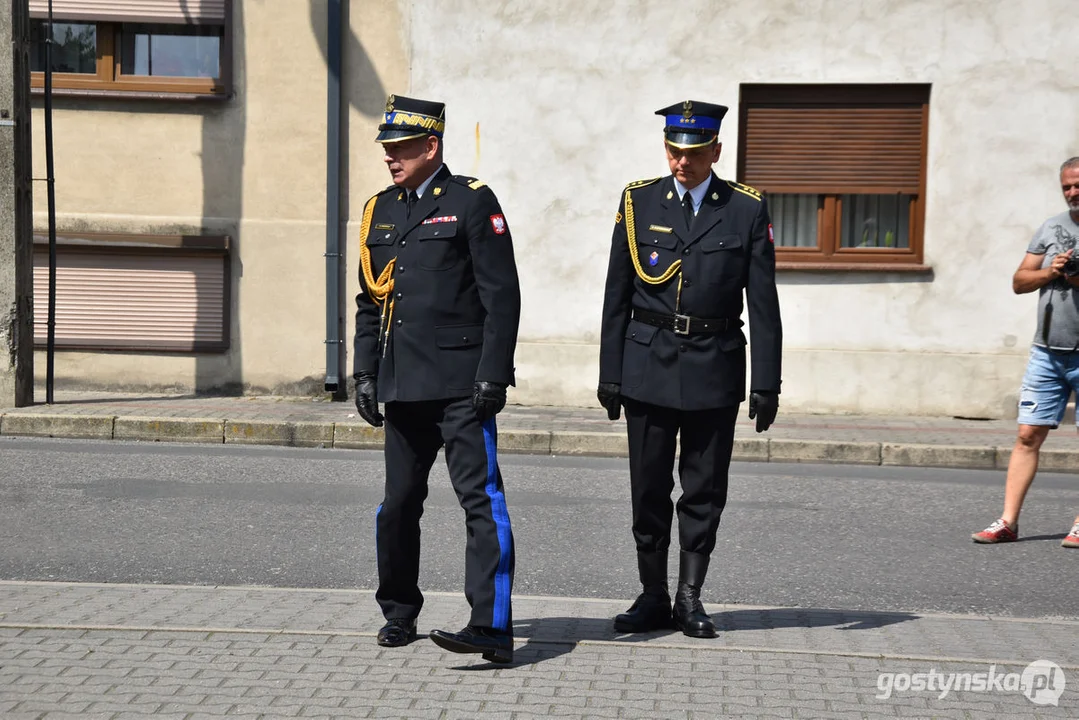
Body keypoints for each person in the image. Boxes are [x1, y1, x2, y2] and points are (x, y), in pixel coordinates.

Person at [597, 100, 783, 638]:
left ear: (716, 152)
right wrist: (612, 372)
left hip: (714, 366)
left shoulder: (746, 209)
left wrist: (765, 384)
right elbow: (616, 294)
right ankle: (652, 594)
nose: (682, 163)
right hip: (648, 363)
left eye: (695, 154)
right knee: (648, 490)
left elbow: (764, 303)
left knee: (704, 491)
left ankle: (690, 597)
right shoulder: (638, 202)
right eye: (675, 152)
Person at [353, 94, 522, 662]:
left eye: (399, 148)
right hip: (403, 386)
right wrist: (365, 373)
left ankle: (492, 627)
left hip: (460, 385)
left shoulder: (472, 202)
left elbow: (503, 296)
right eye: (387, 148)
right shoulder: (379, 210)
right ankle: (399, 612)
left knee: (481, 502)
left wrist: (493, 375)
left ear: (431, 146)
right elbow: (368, 300)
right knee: (397, 504)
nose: (389, 158)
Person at [972, 156, 1079, 549]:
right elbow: (1020, 281)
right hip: (1047, 351)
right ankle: (1008, 521)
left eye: (1078, 185)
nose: (1073, 192)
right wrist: (1052, 272)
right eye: (1067, 186)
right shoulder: (1051, 227)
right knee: (1027, 434)